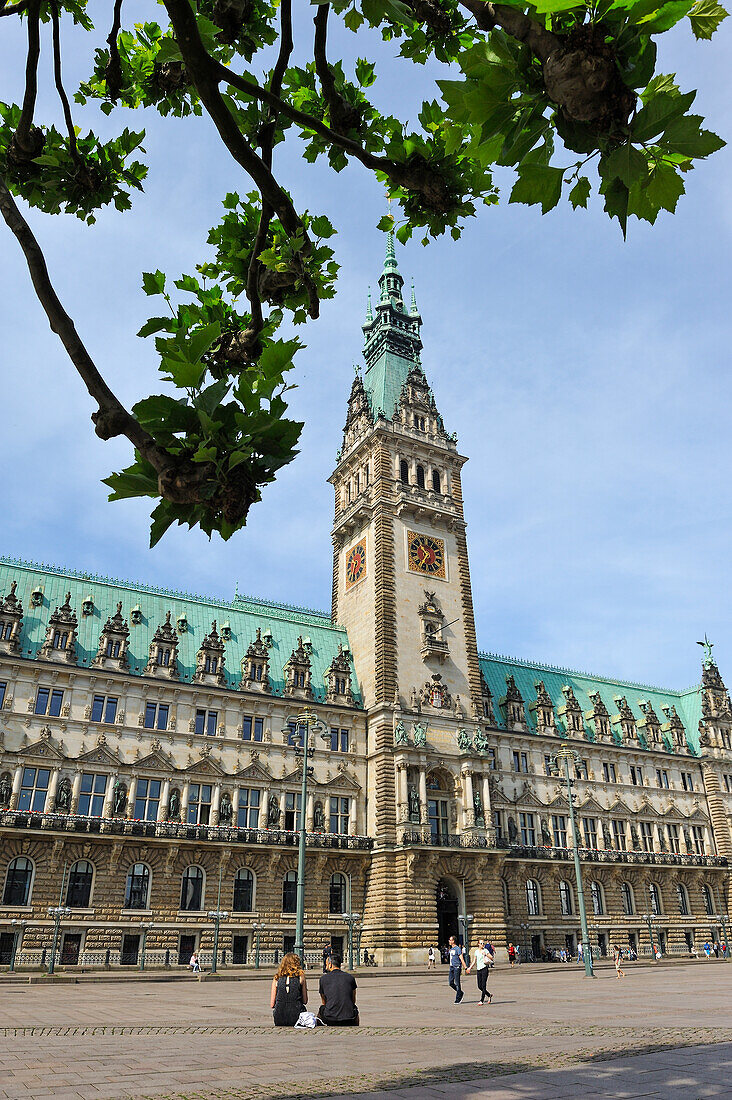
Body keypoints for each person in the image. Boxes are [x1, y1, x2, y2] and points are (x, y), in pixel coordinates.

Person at [318, 952, 359, 1026]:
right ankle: (355, 1027)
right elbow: (353, 1000)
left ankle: (320, 1028)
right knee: (355, 1009)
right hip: (349, 1018)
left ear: (330, 964)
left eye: (326, 963)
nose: (326, 965)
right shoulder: (350, 978)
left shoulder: (323, 979)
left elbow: (324, 1002)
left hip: (330, 1019)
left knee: (321, 1009)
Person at [271, 953, 308, 1026]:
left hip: (279, 1018)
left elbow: (272, 1004)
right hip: (296, 1017)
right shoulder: (301, 977)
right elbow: (305, 1001)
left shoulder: (277, 978)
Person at [448, 935, 470, 1004]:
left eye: (450, 940)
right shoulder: (451, 949)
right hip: (451, 967)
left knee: (457, 983)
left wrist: (466, 968)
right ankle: (460, 992)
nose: (449, 941)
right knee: (451, 983)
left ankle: (458, 998)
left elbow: (462, 959)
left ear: (453, 941)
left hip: (457, 967)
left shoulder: (458, 949)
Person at [473, 939, 492, 1005]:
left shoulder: (485, 950)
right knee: (479, 986)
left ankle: (482, 1000)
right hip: (478, 969)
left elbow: (491, 957)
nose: (482, 945)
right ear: (478, 944)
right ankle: (489, 995)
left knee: (483, 985)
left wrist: (486, 954)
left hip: (484, 969)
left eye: (483, 943)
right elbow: (474, 961)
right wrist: (469, 967)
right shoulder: (476, 952)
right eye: (481, 943)